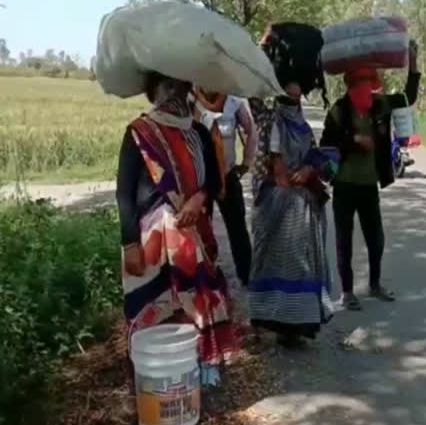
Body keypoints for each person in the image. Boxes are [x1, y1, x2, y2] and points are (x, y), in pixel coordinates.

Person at [116, 71, 237, 385]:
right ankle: (156, 378)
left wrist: (198, 200)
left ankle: (197, 369)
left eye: (179, 87)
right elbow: (124, 193)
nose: (173, 95)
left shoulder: (198, 132)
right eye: (165, 88)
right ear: (154, 93)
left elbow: (213, 180)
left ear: (188, 91)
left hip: (193, 234)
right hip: (150, 241)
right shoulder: (139, 132)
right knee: (153, 305)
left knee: (195, 301)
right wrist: (130, 245)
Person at [320, 41, 421, 311]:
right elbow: (326, 147)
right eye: (359, 81)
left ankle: (375, 285)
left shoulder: (381, 105)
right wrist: (353, 140)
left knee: (376, 238)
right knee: (344, 239)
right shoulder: (339, 111)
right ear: (350, 84)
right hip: (344, 185)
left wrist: (413, 62)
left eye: (368, 81)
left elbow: (408, 97)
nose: (365, 86)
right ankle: (348, 292)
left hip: (368, 185)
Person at [247, 82, 338, 348]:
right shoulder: (270, 122)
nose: (293, 104)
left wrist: (309, 170)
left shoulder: (304, 129)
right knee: (273, 260)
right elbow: (277, 170)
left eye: (297, 99)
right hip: (277, 206)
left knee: (301, 265)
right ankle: (271, 320)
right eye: (288, 98)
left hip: (302, 206)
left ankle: (298, 324)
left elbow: (314, 156)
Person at [193, 88, 257, 286]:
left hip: (228, 176)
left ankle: (246, 276)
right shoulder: (190, 101)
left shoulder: (235, 103)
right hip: (200, 180)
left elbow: (251, 131)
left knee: (237, 227)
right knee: (201, 229)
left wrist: (246, 162)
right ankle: (205, 278)